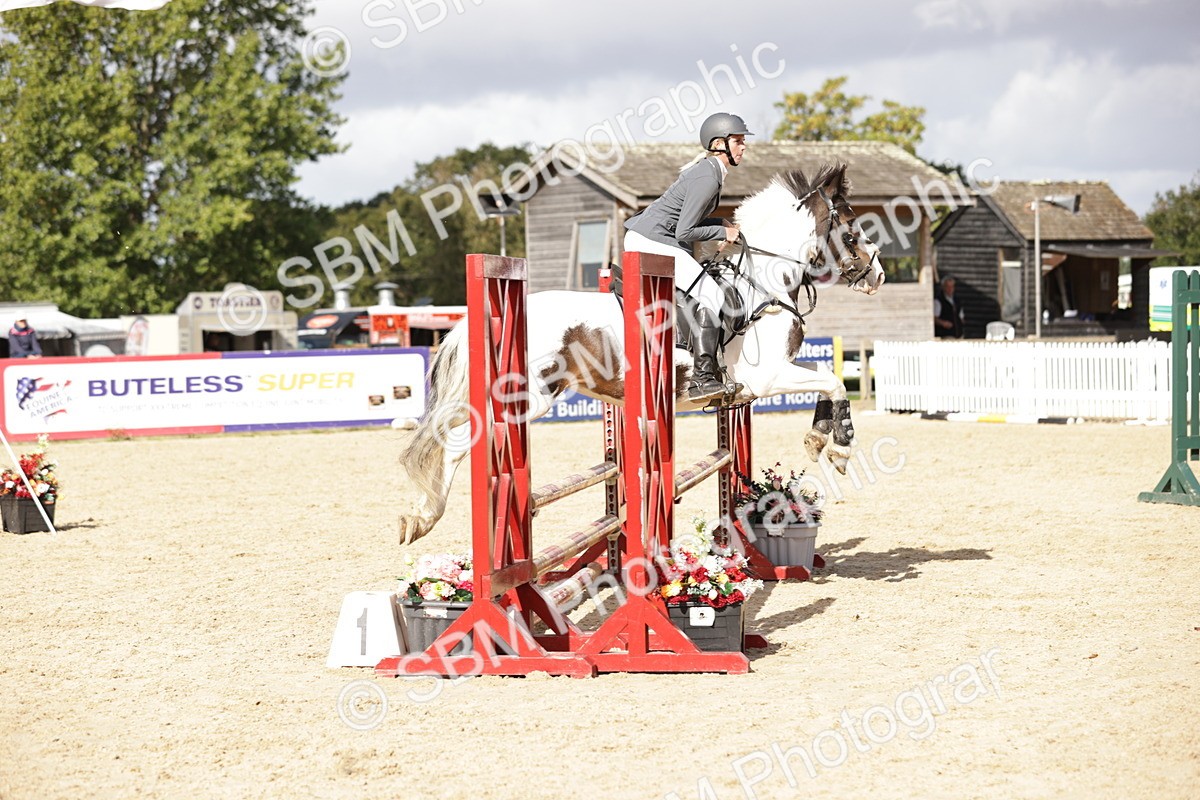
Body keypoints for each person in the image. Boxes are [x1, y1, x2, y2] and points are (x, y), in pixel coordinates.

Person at [623, 112, 751, 401]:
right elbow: (686, 230)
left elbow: (686, 223)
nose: (744, 147)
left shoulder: (710, 171)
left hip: (654, 238)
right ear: (720, 143)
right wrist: (721, 231)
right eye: (739, 141)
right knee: (713, 296)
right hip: (652, 240)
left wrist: (722, 226)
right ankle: (702, 379)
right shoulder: (708, 176)